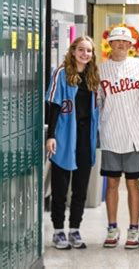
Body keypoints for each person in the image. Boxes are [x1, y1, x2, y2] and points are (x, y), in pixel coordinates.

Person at [45, 36, 100, 249]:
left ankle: (75, 229)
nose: (85, 54)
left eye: (89, 51)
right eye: (81, 50)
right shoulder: (62, 73)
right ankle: (58, 230)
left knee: (80, 188)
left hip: (86, 137)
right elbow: (54, 106)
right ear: (73, 51)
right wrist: (51, 135)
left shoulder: (92, 75)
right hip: (65, 135)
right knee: (60, 186)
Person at [98, 26, 139, 249]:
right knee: (111, 183)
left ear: (131, 45)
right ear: (110, 43)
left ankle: (134, 229)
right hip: (111, 133)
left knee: (132, 184)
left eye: (124, 41)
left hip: (135, 135)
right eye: (116, 40)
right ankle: (112, 227)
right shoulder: (100, 69)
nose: (120, 44)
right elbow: (97, 102)